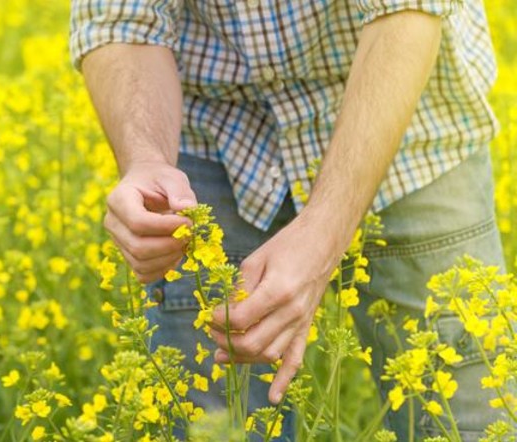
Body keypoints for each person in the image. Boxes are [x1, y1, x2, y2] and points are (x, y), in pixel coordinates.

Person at [70, 0, 504, 439]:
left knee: (472, 424)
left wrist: (323, 234)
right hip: (210, 140)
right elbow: (122, 19)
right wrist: (146, 161)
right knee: (220, 428)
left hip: (406, 128)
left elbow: (406, 10)